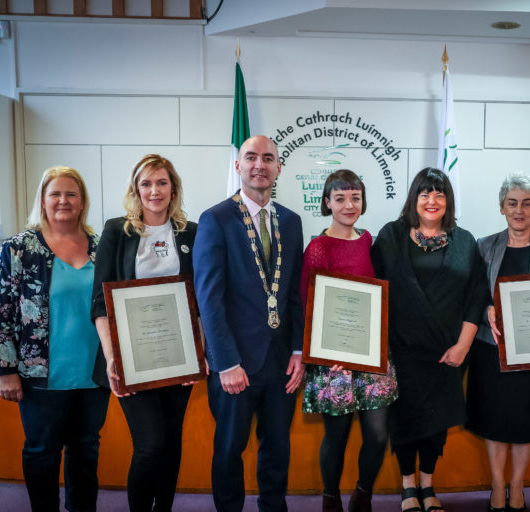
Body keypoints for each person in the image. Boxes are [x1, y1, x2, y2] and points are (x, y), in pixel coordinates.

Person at [0, 166, 110, 512]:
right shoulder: (19, 249)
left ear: (82, 201)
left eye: (71, 193)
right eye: (55, 193)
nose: (63, 200)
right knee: (42, 452)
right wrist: (4, 370)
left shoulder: (103, 248)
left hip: (94, 374)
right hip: (39, 377)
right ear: (43, 199)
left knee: (86, 450)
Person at [193, 135, 305, 512]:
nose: (260, 164)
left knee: (277, 448)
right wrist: (225, 362)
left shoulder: (291, 222)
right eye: (251, 157)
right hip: (234, 363)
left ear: (278, 168)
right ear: (238, 166)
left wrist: (298, 349)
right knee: (229, 449)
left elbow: (293, 294)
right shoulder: (215, 219)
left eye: (268, 158)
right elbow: (208, 297)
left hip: (280, 364)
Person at [371, 167, 489, 512]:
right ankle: (408, 485)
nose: (432, 200)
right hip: (401, 352)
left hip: (448, 351)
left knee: (436, 421)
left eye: (439, 194)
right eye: (425, 193)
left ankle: (428, 483)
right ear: (414, 199)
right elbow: (373, 291)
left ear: (448, 201)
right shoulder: (391, 235)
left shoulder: (465, 240)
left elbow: (477, 295)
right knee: (405, 419)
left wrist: (464, 345)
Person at [90, 154, 199, 512]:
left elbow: (200, 298)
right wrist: (111, 358)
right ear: (136, 189)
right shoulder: (116, 231)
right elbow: (100, 302)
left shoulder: (192, 233)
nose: (155, 190)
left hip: (178, 357)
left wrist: (197, 354)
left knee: (171, 442)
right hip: (130, 358)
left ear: (173, 188)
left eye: (162, 182)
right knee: (150, 445)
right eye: (147, 183)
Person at [464, 173, 530, 512]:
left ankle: (518, 486)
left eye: (526, 203)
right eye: (512, 203)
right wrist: (487, 308)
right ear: (501, 208)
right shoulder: (483, 246)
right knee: (494, 419)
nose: (519, 210)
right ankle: (497, 485)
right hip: (490, 350)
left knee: (526, 421)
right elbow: (471, 296)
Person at [300, 170, 398, 512]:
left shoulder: (371, 241)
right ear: (327, 202)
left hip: (372, 354)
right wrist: (327, 353)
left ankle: (363, 493)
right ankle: (330, 498)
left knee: (377, 434)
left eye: (355, 197)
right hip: (332, 359)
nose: (349, 204)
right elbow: (307, 304)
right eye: (340, 198)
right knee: (337, 435)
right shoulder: (317, 248)